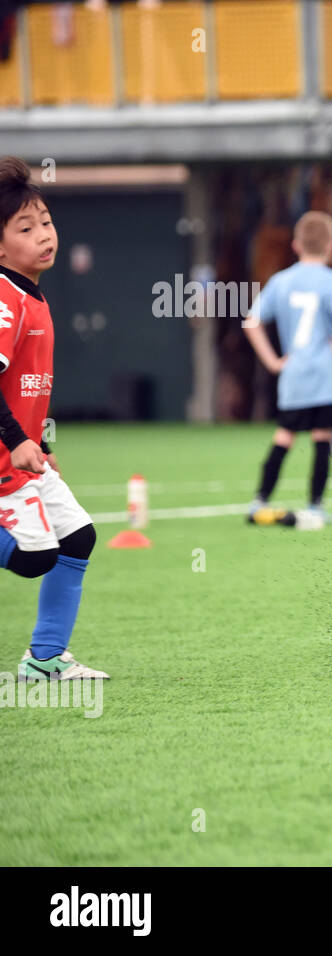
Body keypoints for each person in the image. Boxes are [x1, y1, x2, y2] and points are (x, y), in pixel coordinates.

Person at [0, 156, 107, 681]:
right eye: (26, 227)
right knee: (32, 558)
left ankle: (43, 660)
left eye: (45, 221)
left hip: (23, 452)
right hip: (3, 457)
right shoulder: (4, 297)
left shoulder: (32, 294)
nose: (44, 234)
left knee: (78, 536)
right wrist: (18, 439)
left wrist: (38, 438)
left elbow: (24, 386)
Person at [244, 210, 332, 525]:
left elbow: (251, 322)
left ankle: (259, 501)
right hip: (327, 376)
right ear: (331, 245)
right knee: (321, 437)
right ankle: (315, 505)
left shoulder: (281, 281)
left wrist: (272, 361)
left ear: (296, 244)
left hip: (294, 375)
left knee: (284, 435)